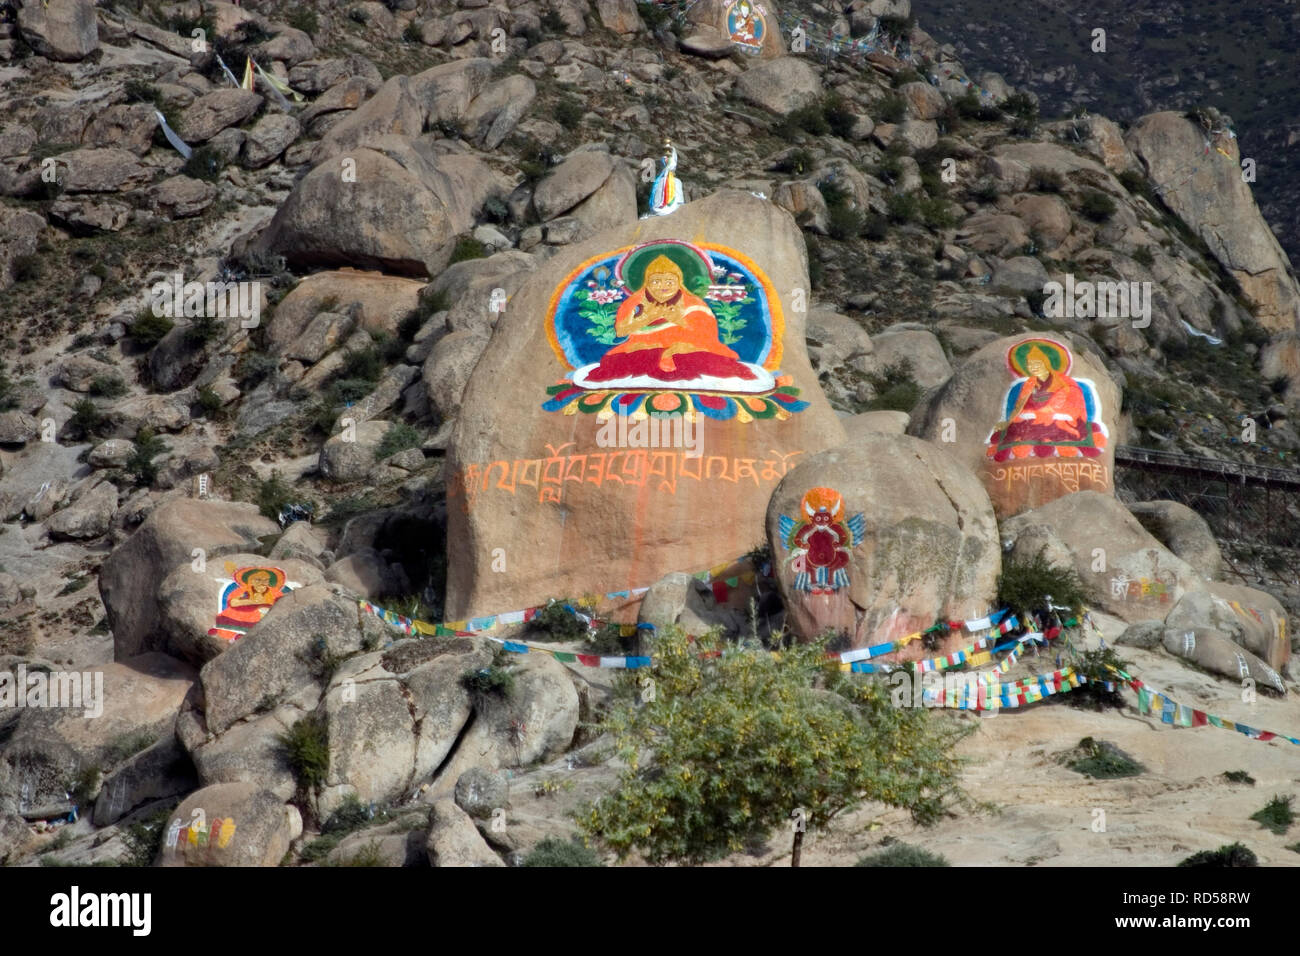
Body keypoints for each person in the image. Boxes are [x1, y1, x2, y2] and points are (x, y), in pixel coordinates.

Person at [584, 254, 756, 383]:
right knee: (616, 362)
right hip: (644, 348)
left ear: (679, 282)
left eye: (669, 281)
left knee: (706, 361)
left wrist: (680, 323)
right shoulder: (636, 302)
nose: (663, 286)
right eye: (656, 281)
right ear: (646, 283)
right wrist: (646, 318)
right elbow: (621, 331)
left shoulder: (693, 303)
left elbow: (708, 334)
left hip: (688, 350)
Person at [987, 343, 1104, 459]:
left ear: (1046, 363)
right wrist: (1007, 423)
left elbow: (1074, 402)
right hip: (1033, 420)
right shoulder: (1029, 384)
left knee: (1055, 425)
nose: (1033, 367)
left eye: (1037, 363)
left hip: (1059, 419)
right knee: (1017, 427)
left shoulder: (1063, 382)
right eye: (1030, 364)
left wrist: (1049, 409)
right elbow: (1019, 407)